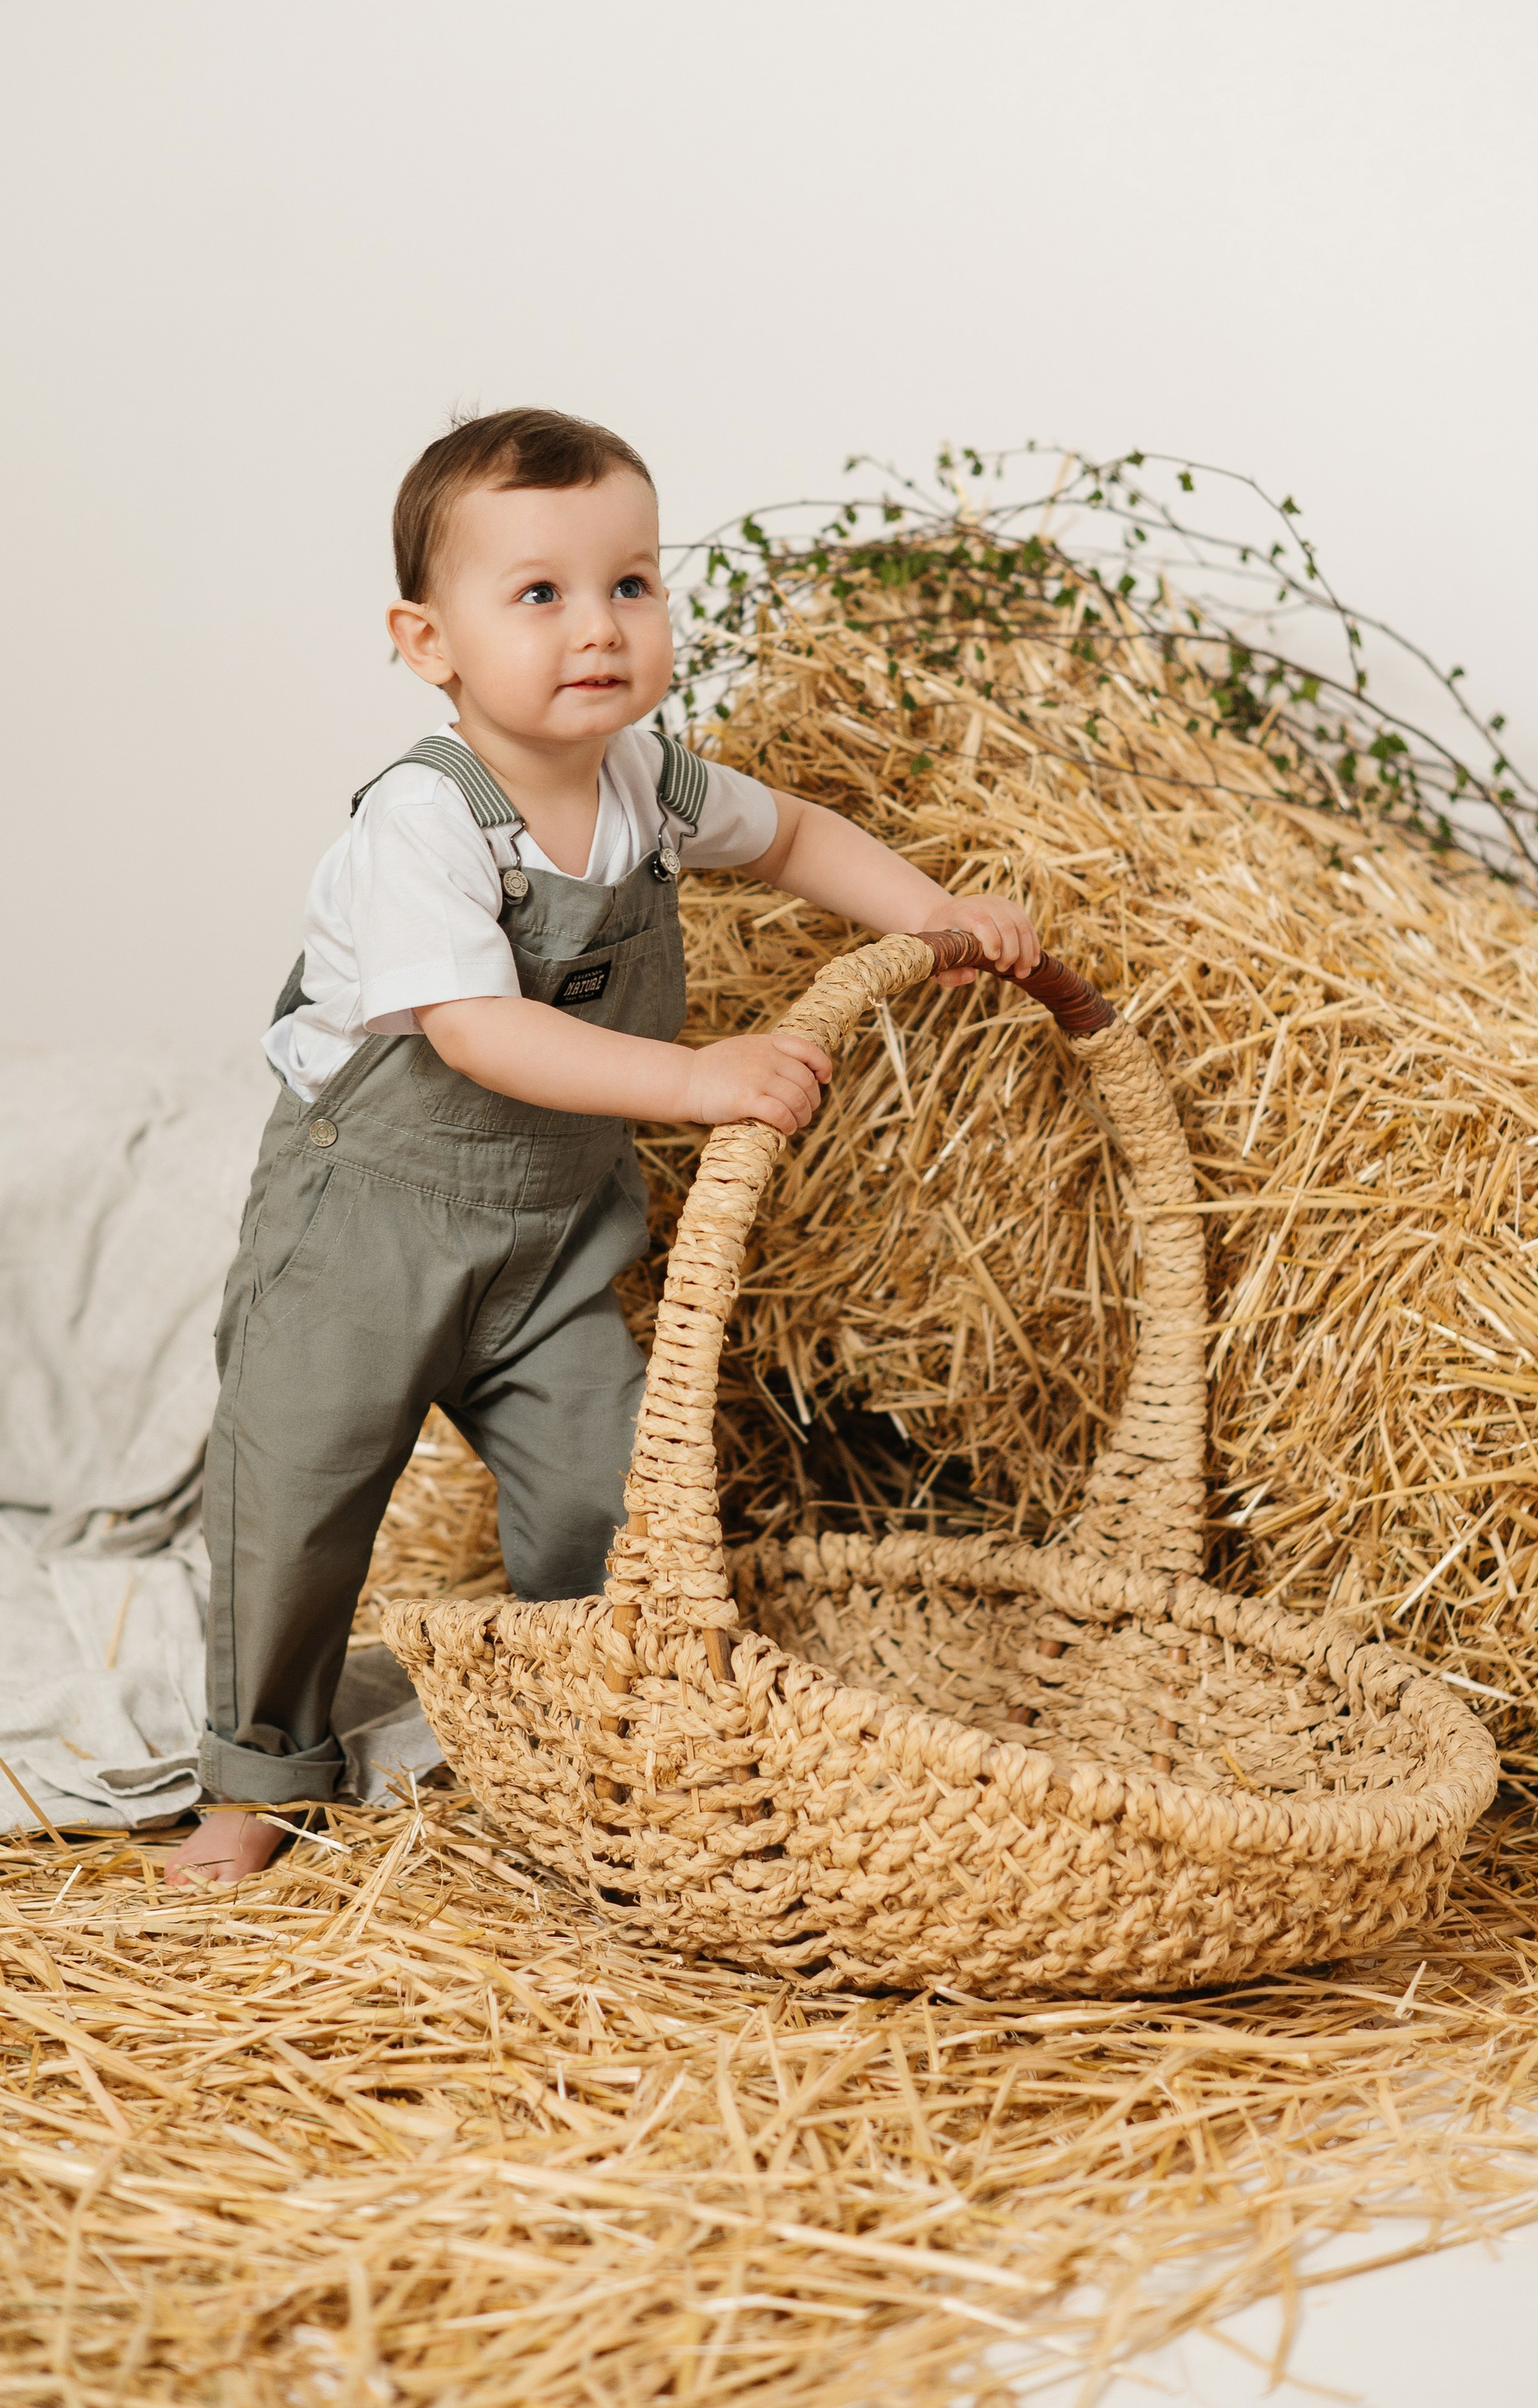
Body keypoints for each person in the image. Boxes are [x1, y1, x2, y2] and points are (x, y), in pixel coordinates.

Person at [170, 408, 1040, 1883]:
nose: (598, 626)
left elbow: (796, 836)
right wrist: (694, 1078)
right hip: (363, 1230)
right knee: (299, 1498)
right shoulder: (423, 823)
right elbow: (476, 1034)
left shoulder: (651, 781)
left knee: (608, 1495)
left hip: (555, 1244)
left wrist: (929, 913)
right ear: (425, 639)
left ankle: (576, 1740)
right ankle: (256, 1771)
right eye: (539, 594)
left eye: (629, 583)